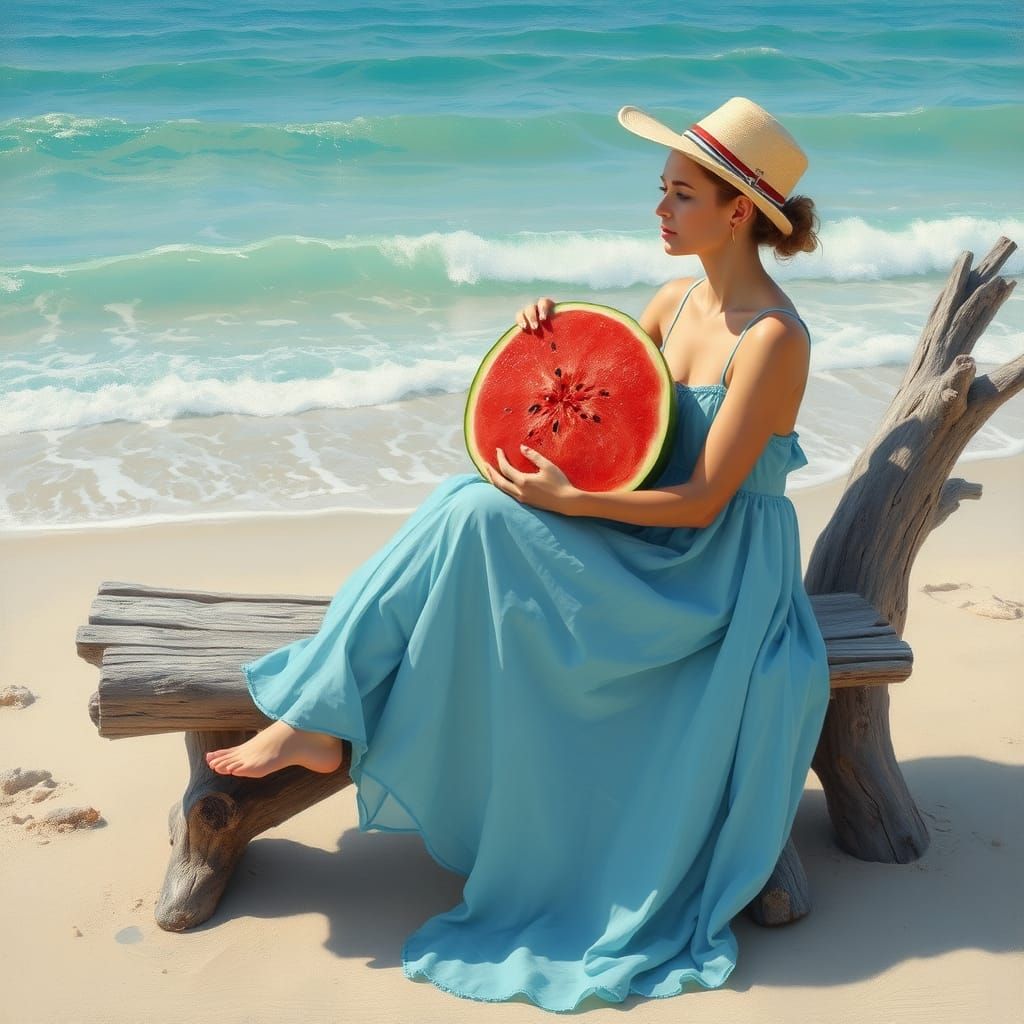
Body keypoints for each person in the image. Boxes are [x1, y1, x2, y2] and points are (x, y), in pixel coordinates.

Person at [206, 96, 831, 1013]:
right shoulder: (675, 298)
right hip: (637, 534)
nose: (658, 210)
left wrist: (572, 503)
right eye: (659, 190)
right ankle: (320, 715)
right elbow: (606, 410)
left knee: (475, 517)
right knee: (465, 500)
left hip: (711, 575)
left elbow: (701, 501)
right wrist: (547, 339)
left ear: (738, 210)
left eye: (680, 195)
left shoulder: (773, 339)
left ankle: (322, 715)